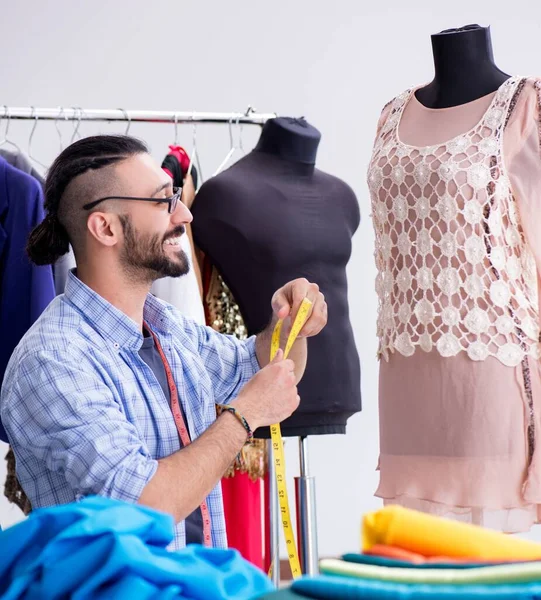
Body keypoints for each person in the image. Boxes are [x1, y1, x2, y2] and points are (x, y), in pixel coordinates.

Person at [0, 135, 327, 550]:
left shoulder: (165, 327)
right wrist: (243, 417)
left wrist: (293, 323)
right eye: (163, 201)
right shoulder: (52, 360)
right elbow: (144, 505)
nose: (185, 214)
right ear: (106, 227)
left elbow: (266, 366)